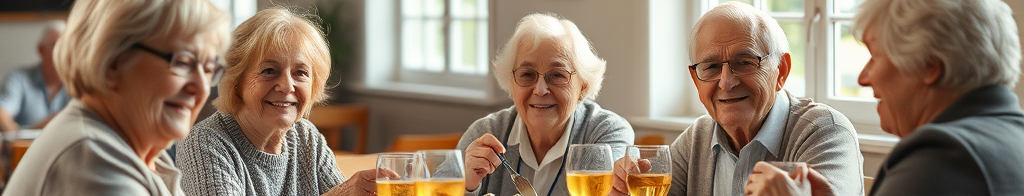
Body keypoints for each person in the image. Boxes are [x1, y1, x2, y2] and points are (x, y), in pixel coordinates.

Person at [745, 0, 1024, 195]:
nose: (864, 78)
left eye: (875, 57)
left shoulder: (943, 159)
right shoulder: (1010, 134)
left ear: (929, 66)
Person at [610, 2, 864, 196]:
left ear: (782, 71)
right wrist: (623, 186)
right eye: (710, 67)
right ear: (695, 79)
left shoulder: (826, 132)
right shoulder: (697, 138)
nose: (726, 81)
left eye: (744, 62)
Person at [2, 0, 230, 195]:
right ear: (112, 63)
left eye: (209, 68)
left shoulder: (141, 150)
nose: (201, 88)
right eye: (183, 62)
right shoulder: (95, 164)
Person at [176, 8, 376, 196]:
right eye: (269, 71)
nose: (287, 86)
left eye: (301, 73)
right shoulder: (203, 143)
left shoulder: (306, 138)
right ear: (235, 79)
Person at [458, 13, 634, 196]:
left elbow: (615, 185)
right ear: (511, 82)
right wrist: (465, 186)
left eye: (557, 75)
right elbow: (439, 189)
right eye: (527, 74)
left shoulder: (605, 132)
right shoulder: (486, 133)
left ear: (583, 86)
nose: (540, 90)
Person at [0, 20, 71, 133]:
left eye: (67, 47)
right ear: (41, 50)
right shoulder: (18, 79)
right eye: (56, 46)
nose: (63, 53)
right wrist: (35, 130)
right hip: (26, 150)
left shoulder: (79, 83)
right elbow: (2, 117)